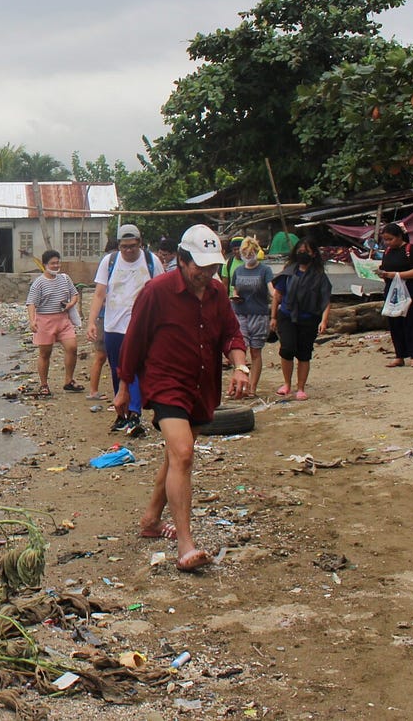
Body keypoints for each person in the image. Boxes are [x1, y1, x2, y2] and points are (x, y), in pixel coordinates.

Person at [115, 223, 249, 573]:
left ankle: (150, 521)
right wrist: (123, 387)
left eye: (212, 268)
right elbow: (134, 340)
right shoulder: (156, 292)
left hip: (202, 385)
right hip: (166, 383)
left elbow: (232, 334)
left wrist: (240, 367)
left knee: (176, 456)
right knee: (184, 453)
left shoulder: (218, 294)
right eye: (199, 267)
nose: (206, 274)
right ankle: (186, 546)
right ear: (182, 260)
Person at [86, 223, 161, 436]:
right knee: (117, 369)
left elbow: (160, 293)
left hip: (141, 327)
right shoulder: (109, 262)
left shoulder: (151, 261)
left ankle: (135, 413)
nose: (128, 251)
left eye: (133, 246)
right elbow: (100, 293)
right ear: (118, 246)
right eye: (124, 247)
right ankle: (122, 413)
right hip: (113, 325)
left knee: (136, 369)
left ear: (140, 244)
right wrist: (92, 321)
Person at [269, 237, 332, 400]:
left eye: (306, 252)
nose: (303, 255)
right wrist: (273, 317)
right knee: (287, 349)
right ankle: (287, 384)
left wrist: (324, 321)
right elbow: (277, 295)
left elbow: (325, 300)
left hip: (309, 318)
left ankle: (301, 387)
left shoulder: (319, 276)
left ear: (314, 254)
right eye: (300, 252)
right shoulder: (289, 271)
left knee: (304, 353)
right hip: (287, 316)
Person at [25, 249, 82, 395]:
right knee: (45, 354)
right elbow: (31, 303)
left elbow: (75, 294)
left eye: (58, 262)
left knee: (72, 347)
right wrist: (32, 321)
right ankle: (44, 385)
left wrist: (71, 304)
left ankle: (69, 381)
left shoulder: (64, 279)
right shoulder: (39, 283)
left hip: (63, 319)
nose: (56, 266)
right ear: (45, 265)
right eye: (53, 263)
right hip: (45, 320)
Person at [377, 221, 413, 368]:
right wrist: (383, 274)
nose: (387, 243)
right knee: (395, 322)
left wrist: (397, 275)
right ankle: (399, 355)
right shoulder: (387, 252)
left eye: (390, 239)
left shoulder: (411, 250)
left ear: (399, 236)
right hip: (393, 291)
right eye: (385, 240)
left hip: (412, 289)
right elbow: (384, 269)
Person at [228, 236, 275, 396]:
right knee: (240, 350)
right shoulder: (238, 270)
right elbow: (235, 289)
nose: (248, 257)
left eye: (250, 254)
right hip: (241, 312)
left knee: (256, 352)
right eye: (245, 254)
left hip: (259, 314)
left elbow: (271, 290)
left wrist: (277, 297)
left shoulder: (265, 270)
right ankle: (239, 384)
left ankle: (252, 388)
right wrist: (234, 298)